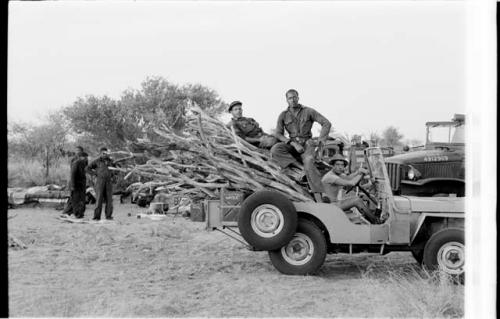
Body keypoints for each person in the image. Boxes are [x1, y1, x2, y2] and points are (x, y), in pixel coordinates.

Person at [271, 89, 331, 198]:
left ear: (298, 98)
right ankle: (300, 171)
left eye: (294, 97)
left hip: (307, 143)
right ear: (286, 100)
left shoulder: (308, 111)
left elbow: (326, 123)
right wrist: (293, 144)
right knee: (276, 149)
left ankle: (320, 194)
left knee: (308, 161)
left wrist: (320, 144)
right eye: (290, 98)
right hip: (293, 144)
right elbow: (278, 134)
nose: (292, 100)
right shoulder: (283, 115)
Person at [321, 154, 379, 224]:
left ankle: (370, 217)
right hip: (331, 206)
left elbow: (348, 178)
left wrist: (358, 172)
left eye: (342, 165)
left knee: (362, 196)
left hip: (334, 203)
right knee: (356, 200)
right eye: (337, 165)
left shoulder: (337, 175)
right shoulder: (330, 177)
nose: (340, 167)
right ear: (332, 166)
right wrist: (361, 173)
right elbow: (352, 183)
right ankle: (376, 221)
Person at [87, 147, 116, 220]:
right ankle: (97, 217)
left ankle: (108, 216)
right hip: (100, 182)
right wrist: (94, 174)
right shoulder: (96, 161)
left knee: (109, 200)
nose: (105, 155)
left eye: (106, 153)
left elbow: (116, 169)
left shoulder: (111, 161)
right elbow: (87, 168)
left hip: (109, 182)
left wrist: (113, 175)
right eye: (103, 153)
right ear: (100, 153)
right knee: (99, 199)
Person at [61, 147, 88, 219]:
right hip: (75, 184)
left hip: (81, 184)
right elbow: (72, 175)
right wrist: (72, 185)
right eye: (84, 157)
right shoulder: (75, 162)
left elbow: (85, 171)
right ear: (81, 157)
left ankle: (70, 213)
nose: (85, 158)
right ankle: (75, 214)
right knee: (75, 199)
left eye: (86, 157)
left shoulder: (83, 162)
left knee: (77, 199)